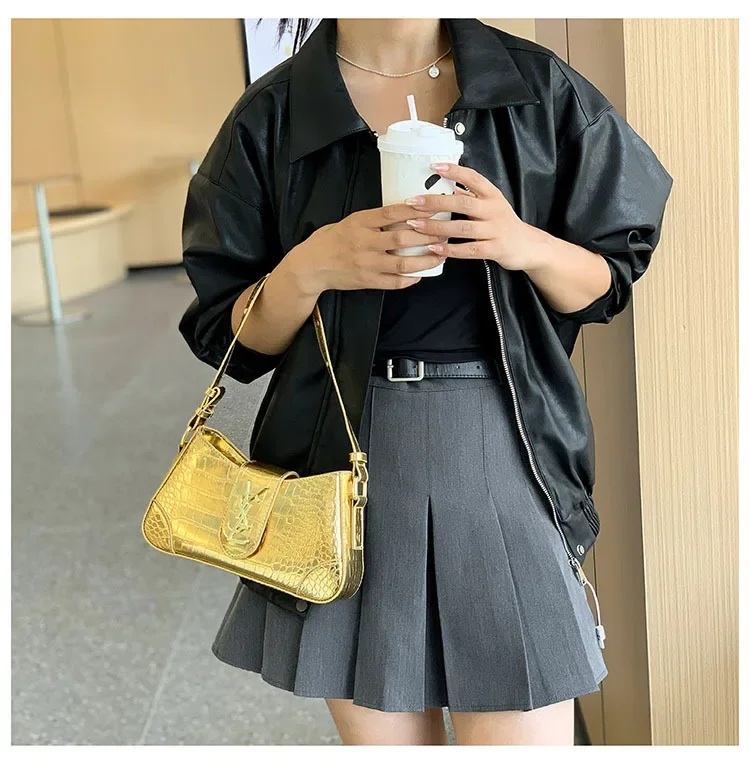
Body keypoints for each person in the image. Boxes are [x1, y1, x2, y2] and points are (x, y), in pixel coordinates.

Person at [178, 18, 673, 745]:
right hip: (337, 458)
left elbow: (607, 280)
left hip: (502, 447)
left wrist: (520, 242)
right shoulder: (274, 113)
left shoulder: (535, 89)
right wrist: (309, 267)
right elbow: (231, 339)